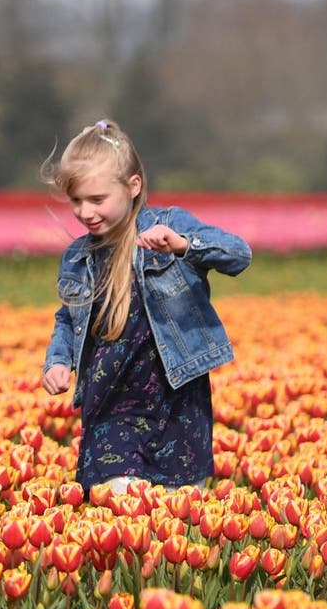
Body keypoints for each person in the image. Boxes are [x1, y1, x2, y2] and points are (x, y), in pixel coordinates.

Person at [40, 119, 252, 497]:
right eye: (76, 201)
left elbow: (239, 254)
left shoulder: (169, 226)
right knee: (118, 497)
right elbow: (66, 316)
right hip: (109, 401)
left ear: (133, 186)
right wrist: (59, 361)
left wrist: (184, 245)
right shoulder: (77, 257)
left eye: (97, 199)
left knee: (177, 503)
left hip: (174, 397)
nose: (85, 212)